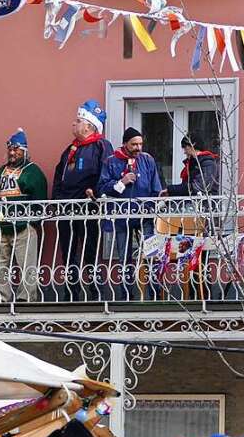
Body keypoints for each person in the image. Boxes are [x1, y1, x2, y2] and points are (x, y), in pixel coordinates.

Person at [52, 99, 114, 301]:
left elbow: (106, 172)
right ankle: (71, 292)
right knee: (68, 253)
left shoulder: (101, 146)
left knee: (89, 252)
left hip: (89, 208)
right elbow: (59, 175)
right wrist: (56, 201)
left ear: (89, 125)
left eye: (78, 120)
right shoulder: (69, 150)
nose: (73, 124)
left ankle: (95, 292)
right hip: (66, 209)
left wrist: (94, 192)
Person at [0, 129, 48, 303]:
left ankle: (25, 298)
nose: (12, 153)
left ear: (25, 151)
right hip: (0, 225)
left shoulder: (33, 172)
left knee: (27, 264)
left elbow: (40, 200)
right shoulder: (0, 172)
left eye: (16, 149)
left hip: (23, 226)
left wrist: (32, 222)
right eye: (10, 149)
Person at [98, 127, 163, 300]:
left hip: (145, 216)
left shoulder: (147, 160)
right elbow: (102, 188)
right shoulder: (111, 161)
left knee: (151, 254)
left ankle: (154, 293)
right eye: (134, 144)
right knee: (124, 257)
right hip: (122, 217)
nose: (138, 148)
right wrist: (122, 182)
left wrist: (152, 207)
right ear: (125, 143)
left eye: (140, 144)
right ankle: (126, 295)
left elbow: (156, 187)